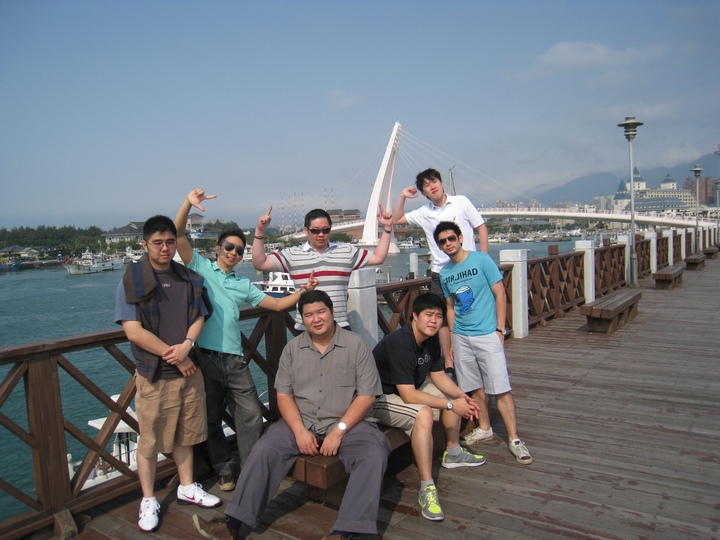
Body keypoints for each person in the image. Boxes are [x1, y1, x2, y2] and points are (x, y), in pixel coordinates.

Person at [193, 290, 390, 540]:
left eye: (321, 312)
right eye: (309, 315)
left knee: (374, 452)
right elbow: (284, 395)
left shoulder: (356, 345)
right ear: (302, 319)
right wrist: (299, 431)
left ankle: (354, 531)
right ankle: (232, 524)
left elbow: (367, 396)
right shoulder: (292, 349)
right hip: (302, 420)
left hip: (347, 423)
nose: (316, 319)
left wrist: (339, 431)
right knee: (264, 449)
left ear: (332, 313)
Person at [174, 188, 319, 492]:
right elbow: (177, 235)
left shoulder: (242, 284)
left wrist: (302, 292)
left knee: (251, 415)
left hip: (236, 359)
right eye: (229, 247)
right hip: (206, 357)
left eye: (239, 250)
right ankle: (224, 469)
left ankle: (251, 466)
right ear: (217, 248)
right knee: (211, 418)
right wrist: (188, 203)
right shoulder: (200, 267)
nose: (233, 253)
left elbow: (276, 305)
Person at [114, 215, 221, 533]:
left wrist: (187, 345)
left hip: (189, 370)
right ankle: (148, 498)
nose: (164, 248)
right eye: (157, 242)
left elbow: (200, 316)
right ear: (144, 244)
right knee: (149, 441)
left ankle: (187, 486)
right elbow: (133, 331)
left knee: (186, 435)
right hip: (155, 374)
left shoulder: (188, 278)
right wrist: (175, 356)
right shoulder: (132, 280)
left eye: (170, 242)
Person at [371, 293, 484, 522]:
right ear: (414, 316)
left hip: (407, 390)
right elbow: (409, 395)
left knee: (452, 392)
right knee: (425, 413)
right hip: (379, 398)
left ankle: (453, 452)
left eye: (439, 316)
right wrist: (451, 404)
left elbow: (439, 375)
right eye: (428, 315)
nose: (433, 321)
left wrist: (461, 396)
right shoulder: (400, 344)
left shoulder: (430, 338)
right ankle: (427, 487)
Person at [434, 221, 532, 465]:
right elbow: (450, 307)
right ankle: (485, 427)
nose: (448, 243)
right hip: (461, 336)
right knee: (474, 385)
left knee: (500, 387)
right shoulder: (445, 273)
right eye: (443, 241)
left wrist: (500, 329)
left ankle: (514, 439)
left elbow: (500, 293)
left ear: (460, 238)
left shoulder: (482, 260)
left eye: (451, 238)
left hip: (487, 332)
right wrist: (453, 339)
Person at [392, 168, 489, 368]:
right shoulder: (424, 212)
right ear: (424, 193)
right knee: (441, 316)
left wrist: (483, 259)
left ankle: (476, 355)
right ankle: (449, 361)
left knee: (472, 310)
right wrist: (403, 196)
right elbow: (397, 219)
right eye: (426, 185)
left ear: (442, 183)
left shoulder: (461, 202)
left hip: (467, 269)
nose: (432, 187)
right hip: (440, 272)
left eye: (434, 181)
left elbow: (481, 227)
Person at [252, 205, 393, 330]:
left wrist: (387, 229)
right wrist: (260, 231)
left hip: (339, 326)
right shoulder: (292, 254)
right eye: (315, 231)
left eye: (326, 230)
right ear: (306, 231)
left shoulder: (347, 251)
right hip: (306, 328)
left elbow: (378, 257)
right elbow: (260, 264)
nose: (321, 234)